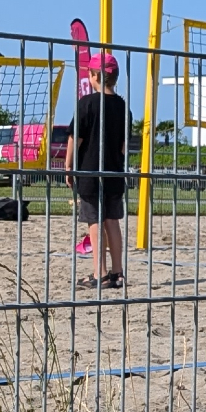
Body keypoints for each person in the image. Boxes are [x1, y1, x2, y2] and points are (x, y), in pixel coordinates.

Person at [65, 58, 131, 289]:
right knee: (112, 221)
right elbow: (123, 146)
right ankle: (118, 272)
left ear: (94, 75)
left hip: (91, 172)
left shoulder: (87, 103)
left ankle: (99, 274)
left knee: (95, 221)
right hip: (114, 172)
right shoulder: (123, 107)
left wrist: (68, 167)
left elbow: (75, 137)